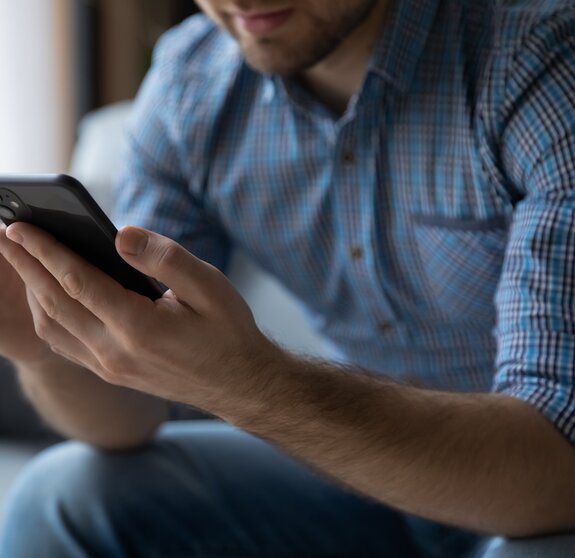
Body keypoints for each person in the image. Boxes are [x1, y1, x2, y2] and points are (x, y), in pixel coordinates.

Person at [0, 0, 574, 556]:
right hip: (368, 482)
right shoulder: (190, 85)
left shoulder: (542, 64)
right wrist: (42, 341)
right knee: (61, 498)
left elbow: (557, 466)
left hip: (533, 478)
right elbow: (130, 415)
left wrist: (249, 385)